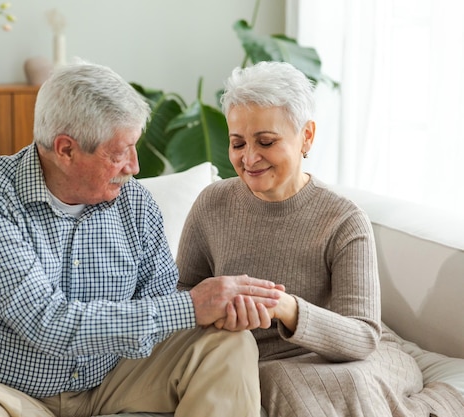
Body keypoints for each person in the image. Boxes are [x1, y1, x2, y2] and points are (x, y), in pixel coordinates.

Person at [0, 60, 283, 417]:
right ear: (65, 150)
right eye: (120, 152)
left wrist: (217, 314)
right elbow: (46, 322)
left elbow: (157, 305)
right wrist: (190, 305)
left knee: (229, 345)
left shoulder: (134, 202)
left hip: (112, 378)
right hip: (10, 393)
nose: (135, 167)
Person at [176, 61, 464, 416]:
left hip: (351, 357)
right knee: (278, 380)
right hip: (251, 360)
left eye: (266, 141)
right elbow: (180, 292)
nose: (249, 158)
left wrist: (286, 308)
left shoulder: (343, 219)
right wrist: (215, 309)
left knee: (332, 383)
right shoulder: (212, 203)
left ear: (307, 136)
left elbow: (361, 337)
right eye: (237, 143)